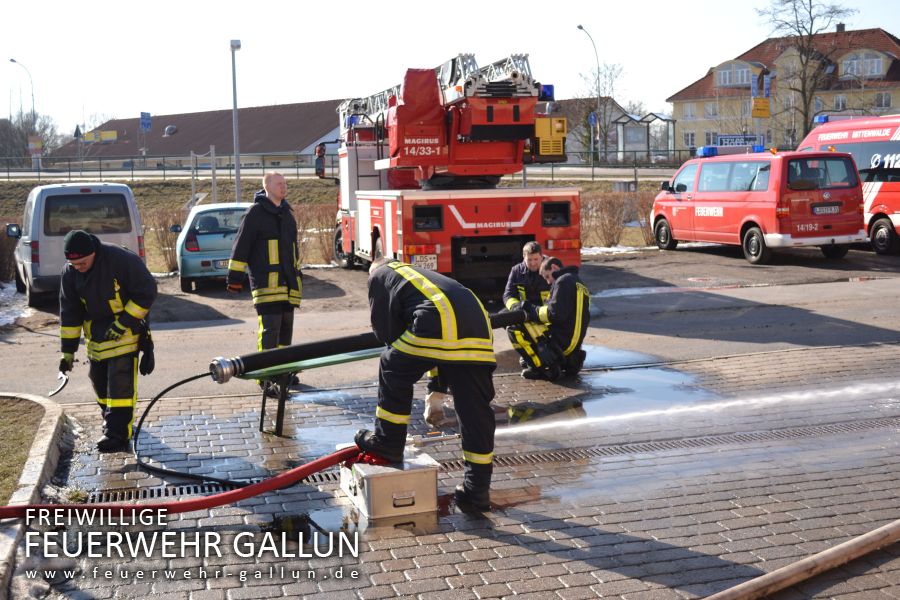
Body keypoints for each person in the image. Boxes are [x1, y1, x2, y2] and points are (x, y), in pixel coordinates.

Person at [356, 259, 497, 511]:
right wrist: (437, 389)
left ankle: (388, 441)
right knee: (474, 411)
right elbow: (444, 349)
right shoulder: (423, 277)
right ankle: (477, 492)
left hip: (437, 322)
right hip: (479, 327)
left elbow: (386, 332)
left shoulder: (381, 274)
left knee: (391, 364)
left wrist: (402, 354)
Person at [58, 230, 157, 453]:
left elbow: (146, 292)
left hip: (125, 333)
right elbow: (70, 314)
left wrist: (124, 323)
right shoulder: (70, 273)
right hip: (97, 339)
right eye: (73, 264)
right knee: (100, 384)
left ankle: (117, 435)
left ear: (94, 252)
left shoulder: (121, 260)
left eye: (82, 262)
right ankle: (110, 424)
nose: (78, 267)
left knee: (120, 385)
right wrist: (68, 353)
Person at [226, 171, 303, 397]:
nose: (284, 187)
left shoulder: (287, 213)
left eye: (285, 183)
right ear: (267, 186)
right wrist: (234, 280)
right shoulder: (256, 213)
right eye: (279, 183)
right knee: (270, 331)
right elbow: (241, 247)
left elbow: (293, 250)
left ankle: (283, 372)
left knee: (285, 333)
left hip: (288, 285)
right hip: (266, 285)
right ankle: (265, 378)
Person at [511, 256, 590, 381]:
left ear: (554, 267)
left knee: (513, 327)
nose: (548, 282)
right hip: (574, 345)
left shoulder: (563, 281)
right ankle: (564, 362)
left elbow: (554, 314)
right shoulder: (580, 283)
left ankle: (537, 368)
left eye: (547, 276)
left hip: (561, 342)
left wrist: (530, 309)